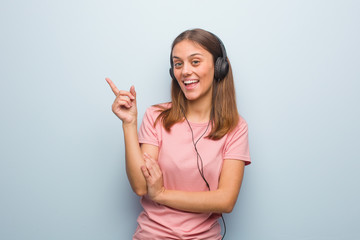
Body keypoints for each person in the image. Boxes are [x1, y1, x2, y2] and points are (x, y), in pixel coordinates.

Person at [106, 28, 251, 240]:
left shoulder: (236, 127)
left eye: (195, 62)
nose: (184, 72)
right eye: (178, 63)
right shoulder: (156, 116)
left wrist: (161, 194)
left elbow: (226, 200)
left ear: (219, 67)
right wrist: (129, 124)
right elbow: (140, 186)